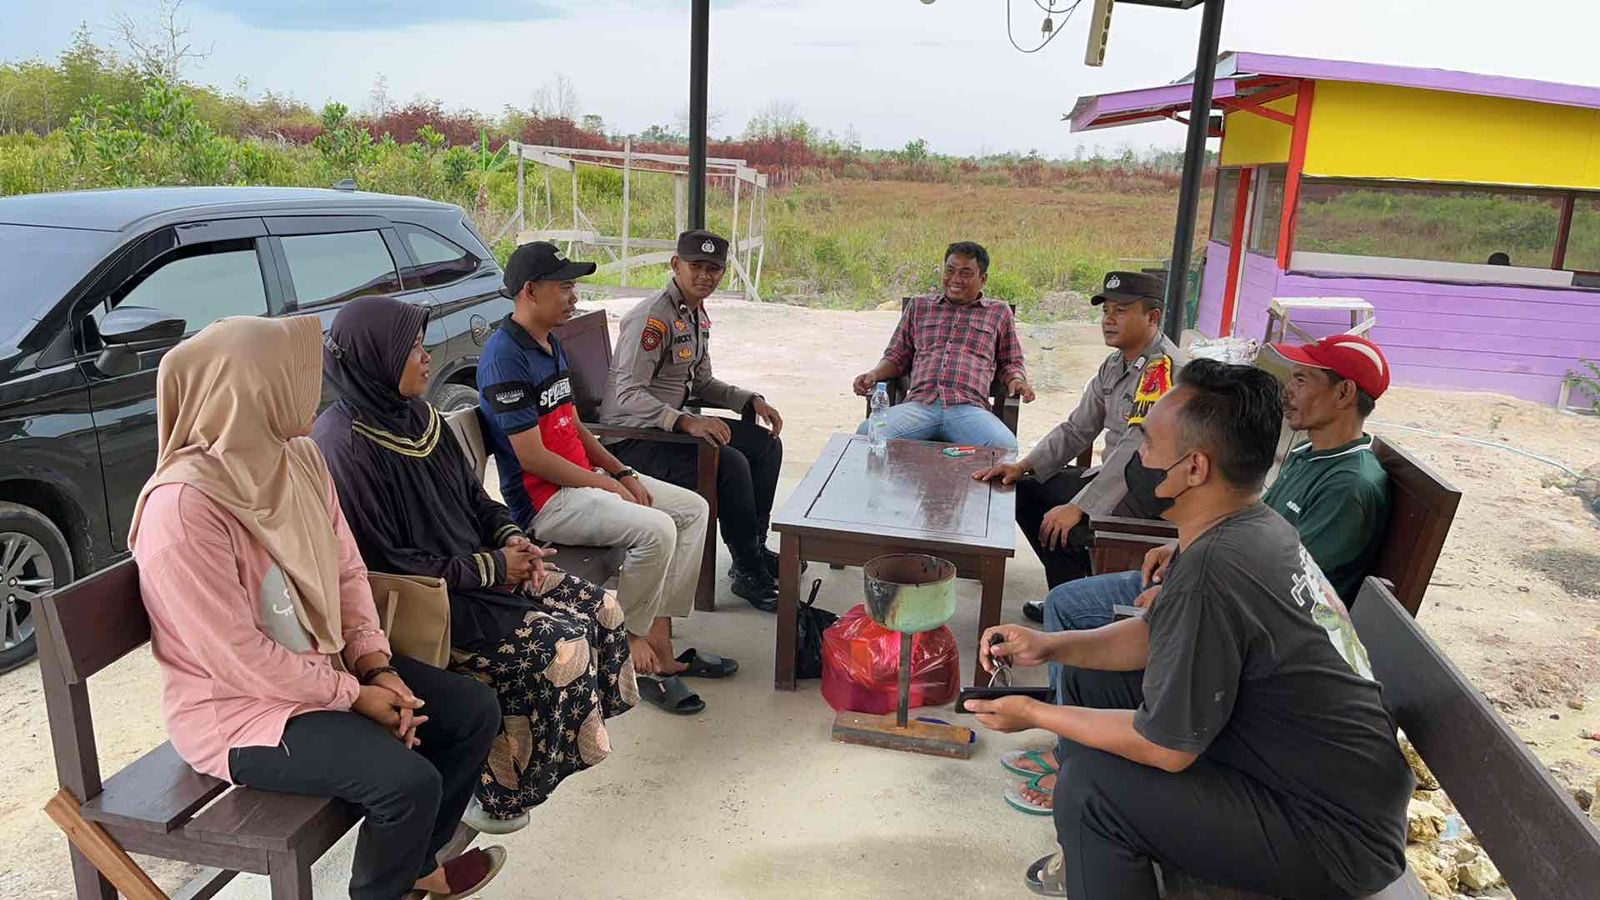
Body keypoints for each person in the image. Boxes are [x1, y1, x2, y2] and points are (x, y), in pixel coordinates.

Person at [967, 359, 1413, 899]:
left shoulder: (1215, 566)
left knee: (1090, 792)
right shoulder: (1251, 526)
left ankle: (1095, 844)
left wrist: (1034, 713)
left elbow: (1165, 748)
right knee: (1088, 678)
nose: (1139, 455)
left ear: (1195, 468)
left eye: (1150, 442)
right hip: (1295, 771)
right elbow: (1154, 636)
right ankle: (1090, 857)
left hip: (1332, 834)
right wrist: (1050, 646)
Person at [129, 315, 506, 900]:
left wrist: (375, 665)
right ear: (251, 390)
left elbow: (347, 571)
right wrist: (354, 695)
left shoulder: (298, 460)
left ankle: (414, 866)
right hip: (240, 711)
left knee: (473, 711)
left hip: (325, 667)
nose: (313, 388)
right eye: (293, 375)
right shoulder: (182, 510)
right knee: (405, 783)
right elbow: (236, 658)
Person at [312, 295, 638, 833]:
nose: (426, 358)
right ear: (375, 359)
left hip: (483, 570)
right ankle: (498, 791)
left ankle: (539, 763)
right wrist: (494, 568)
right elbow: (387, 562)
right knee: (560, 646)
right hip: (431, 600)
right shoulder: (343, 446)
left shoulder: (421, 417)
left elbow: (475, 497)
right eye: (413, 349)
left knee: (601, 609)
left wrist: (514, 539)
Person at [475, 242, 728, 716]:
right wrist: (605, 485)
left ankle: (658, 639)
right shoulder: (505, 356)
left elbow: (573, 424)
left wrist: (620, 471)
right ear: (530, 290)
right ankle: (628, 647)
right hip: (546, 503)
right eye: (565, 286)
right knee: (656, 529)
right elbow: (531, 457)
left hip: (582, 483)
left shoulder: (549, 342)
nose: (574, 296)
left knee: (692, 510)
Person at [974, 271, 1180, 620]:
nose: (1109, 320)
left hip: (1151, 493)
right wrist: (1024, 466)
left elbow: (1135, 451)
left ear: (1153, 317)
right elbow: (1077, 429)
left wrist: (1081, 506)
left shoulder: (1162, 369)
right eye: (1106, 311)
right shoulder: (1115, 364)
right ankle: (1067, 597)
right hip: (1117, 481)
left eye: (1121, 311)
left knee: (1067, 523)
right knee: (1025, 490)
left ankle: (1078, 609)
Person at [600, 230, 787, 609]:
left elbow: (701, 382)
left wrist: (748, 399)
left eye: (713, 269)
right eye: (696, 266)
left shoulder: (693, 312)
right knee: (730, 462)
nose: (705, 276)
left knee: (766, 445)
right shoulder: (653, 319)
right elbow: (628, 393)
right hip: (633, 438)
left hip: (667, 428)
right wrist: (686, 422)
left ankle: (751, 549)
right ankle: (749, 570)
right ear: (676, 265)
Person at [849, 241, 1033, 450]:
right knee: (867, 433)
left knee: (1004, 447)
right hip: (920, 406)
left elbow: (1011, 361)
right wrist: (873, 375)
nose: (956, 279)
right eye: (950, 270)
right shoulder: (920, 307)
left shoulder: (998, 313)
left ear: (983, 279)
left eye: (965, 273)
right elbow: (896, 356)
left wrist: (1017, 380)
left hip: (968, 409)